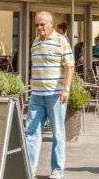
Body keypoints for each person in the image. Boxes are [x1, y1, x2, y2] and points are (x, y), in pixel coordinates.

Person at [26, 11, 74, 179]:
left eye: (42, 24)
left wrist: (66, 89)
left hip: (55, 96)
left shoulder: (61, 40)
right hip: (37, 96)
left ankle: (57, 170)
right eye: (36, 25)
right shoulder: (35, 42)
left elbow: (70, 66)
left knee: (58, 134)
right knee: (31, 133)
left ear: (51, 24)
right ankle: (29, 170)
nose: (39, 28)